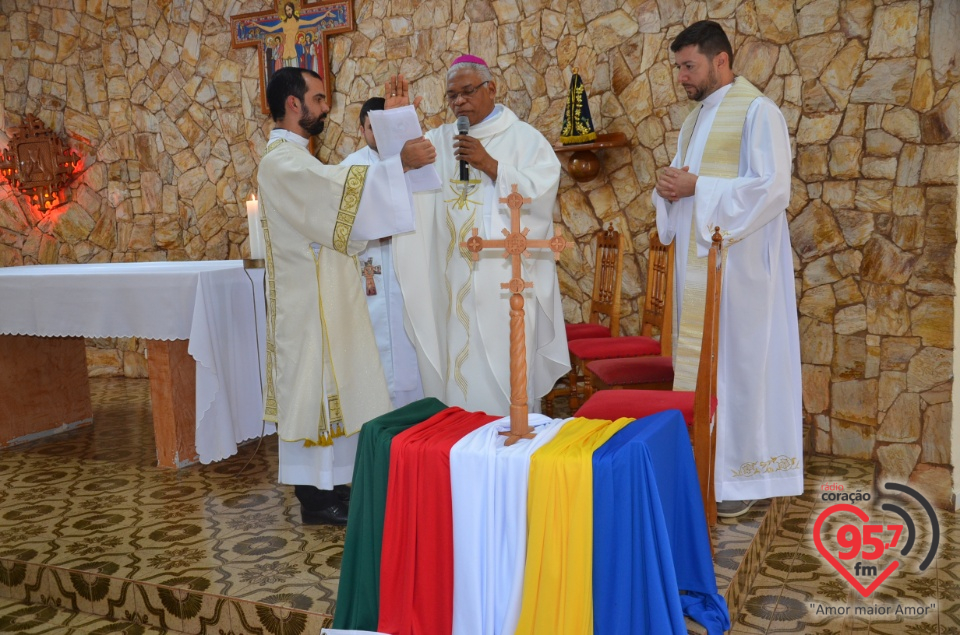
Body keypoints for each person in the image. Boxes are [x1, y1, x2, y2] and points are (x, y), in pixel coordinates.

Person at [257, 67, 435, 525]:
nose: (323, 108)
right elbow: (339, 199)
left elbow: (340, 198)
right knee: (315, 395)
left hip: (322, 292)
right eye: (317, 99)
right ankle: (317, 499)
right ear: (293, 104)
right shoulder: (282, 162)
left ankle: (331, 488)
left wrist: (396, 149)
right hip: (308, 302)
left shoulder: (298, 159)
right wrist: (402, 164)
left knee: (328, 393)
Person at [652, 21, 802, 517]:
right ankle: (703, 471)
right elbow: (688, 186)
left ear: (721, 61)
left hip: (743, 274)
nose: (682, 78)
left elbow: (773, 189)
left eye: (688, 66)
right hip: (704, 270)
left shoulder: (759, 113)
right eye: (678, 67)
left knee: (741, 371)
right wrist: (670, 189)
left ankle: (740, 480)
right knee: (705, 371)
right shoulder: (694, 121)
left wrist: (699, 189)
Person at [394, 55, 568, 416]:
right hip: (451, 283)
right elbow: (404, 176)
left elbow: (544, 189)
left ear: (491, 89)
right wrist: (397, 126)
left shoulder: (524, 139)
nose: (459, 102)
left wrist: (492, 166)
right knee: (459, 377)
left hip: (507, 287)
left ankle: (512, 443)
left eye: (468, 92)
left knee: (507, 375)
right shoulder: (440, 141)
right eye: (452, 96)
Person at [341, 96, 425, 408]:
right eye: (370, 128)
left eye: (382, 127)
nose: (376, 134)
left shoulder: (416, 161)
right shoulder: (349, 168)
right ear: (362, 130)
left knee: (410, 336)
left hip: (406, 264)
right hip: (370, 265)